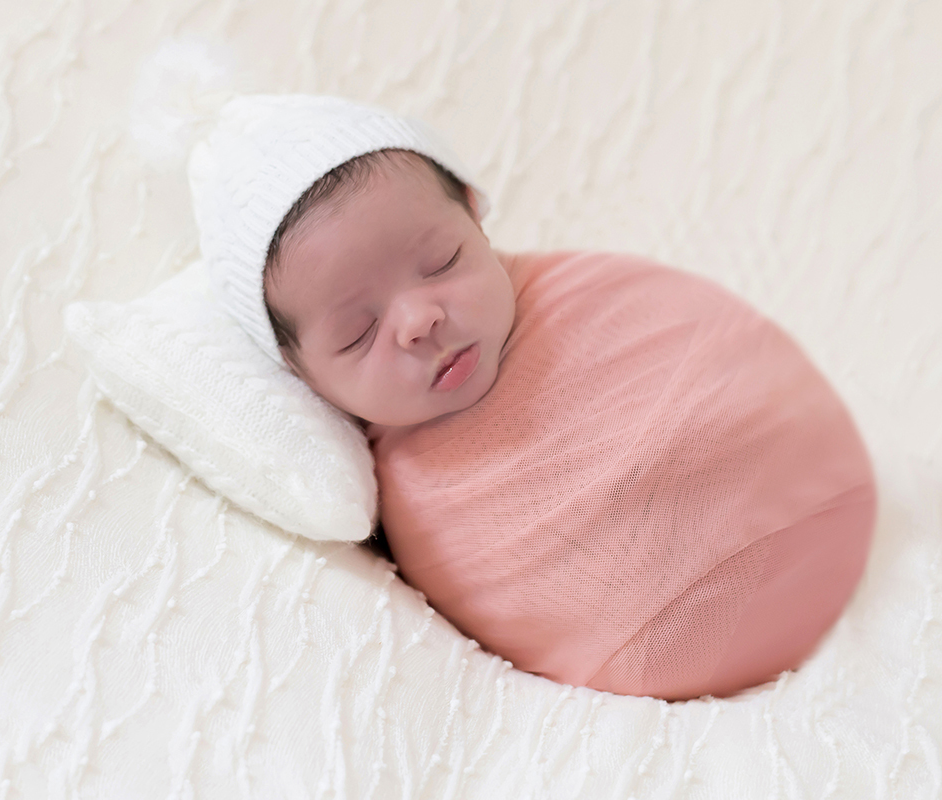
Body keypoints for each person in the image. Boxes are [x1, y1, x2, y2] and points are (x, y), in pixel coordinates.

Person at [190, 92, 875, 700]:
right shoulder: (407, 490)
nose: (419, 320)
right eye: (359, 332)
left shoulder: (590, 292)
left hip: (824, 507)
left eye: (443, 262)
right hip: (674, 638)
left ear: (477, 216)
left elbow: (728, 365)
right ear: (304, 376)